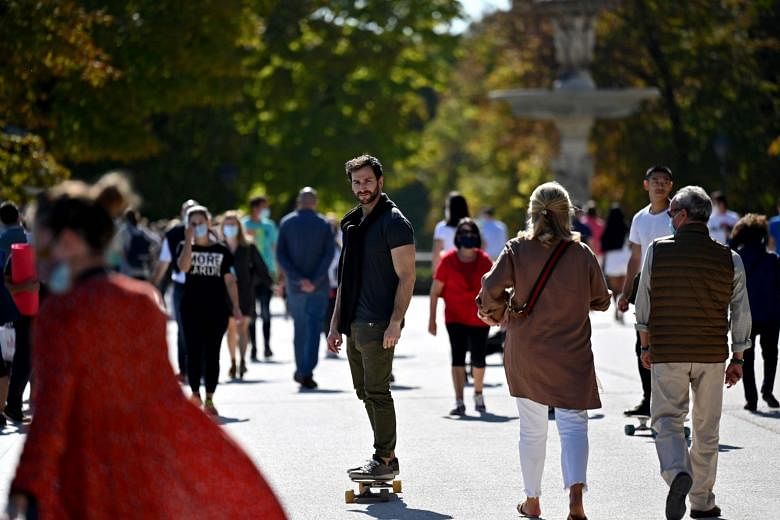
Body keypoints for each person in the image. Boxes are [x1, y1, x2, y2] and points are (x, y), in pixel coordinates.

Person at [6, 174, 285, 519]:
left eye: (42, 241)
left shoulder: (62, 312)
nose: (37, 253)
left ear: (68, 241)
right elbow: (162, 394)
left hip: (87, 470)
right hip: (145, 467)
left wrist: (25, 485)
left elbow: (50, 408)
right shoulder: (142, 301)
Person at [476, 181, 610, 520]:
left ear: (533, 211)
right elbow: (602, 299)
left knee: (532, 428)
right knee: (574, 425)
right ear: (568, 214)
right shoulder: (581, 253)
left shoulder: (516, 249)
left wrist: (500, 309)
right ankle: (576, 501)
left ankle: (532, 501)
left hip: (527, 350)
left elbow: (490, 289)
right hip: (572, 350)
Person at [634, 186, 751, 520]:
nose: (669, 218)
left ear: (683, 215)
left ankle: (676, 473)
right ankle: (701, 501)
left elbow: (644, 304)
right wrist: (738, 357)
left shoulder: (657, 251)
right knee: (706, 428)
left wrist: (645, 345)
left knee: (668, 420)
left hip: (668, 350)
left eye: (671, 212)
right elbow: (741, 312)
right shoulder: (730, 258)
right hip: (712, 355)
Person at [327, 154, 415, 481]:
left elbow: (407, 277)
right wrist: (335, 325)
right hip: (353, 323)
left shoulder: (394, 222)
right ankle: (384, 455)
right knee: (364, 391)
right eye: (356, 181)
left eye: (367, 181)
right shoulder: (351, 222)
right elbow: (344, 278)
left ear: (380, 181)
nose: (362, 187)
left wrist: (396, 322)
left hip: (379, 322)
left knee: (378, 391)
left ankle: (385, 458)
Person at [618, 165, 674, 417]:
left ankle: (671, 401)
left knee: (671, 345)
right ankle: (648, 399)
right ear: (646, 185)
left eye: (665, 181)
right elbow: (635, 256)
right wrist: (625, 290)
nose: (659, 185)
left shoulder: (678, 216)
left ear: (671, 186)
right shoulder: (640, 218)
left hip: (672, 287)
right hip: (644, 288)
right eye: (655, 180)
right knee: (642, 345)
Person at [177, 205, 243, 415]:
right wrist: (189, 240)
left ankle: (210, 398)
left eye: (201, 222)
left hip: (216, 310)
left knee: (212, 353)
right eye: (193, 223)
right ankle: (195, 393)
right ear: (188, 225)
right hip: (190, 309)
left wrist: (236, 306)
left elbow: (230, 281)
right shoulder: (184, 246)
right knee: (193, 352)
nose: (198, 227)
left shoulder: (221, 250)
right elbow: (183, 267)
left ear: (208, 222)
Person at [428, 218, 493, 415]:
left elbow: (495, 290)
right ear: (457, 237)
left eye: (472, 233)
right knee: (457, 356)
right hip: (454, 317)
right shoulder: (447, 260)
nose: (468, 236)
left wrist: (500, 314)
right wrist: (432, 320)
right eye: (464, 233)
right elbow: (435, 291)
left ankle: (479, 394)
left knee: (478, 358)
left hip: (480, 318)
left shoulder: (485, 260)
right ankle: (459, 400)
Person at [276, 187, 335, 389]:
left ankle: (302, 368)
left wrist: (298, 279)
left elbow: (281, 255)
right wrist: (315, 280)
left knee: (300, 328)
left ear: (299, 201)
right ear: (315, 202)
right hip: (318, 287)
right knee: (314, 327)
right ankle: (307, 370)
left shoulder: (286, 223)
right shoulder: (324, 224)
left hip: (296, 287)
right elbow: (329, 255)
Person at [730, 214, 780, 411]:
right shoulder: (773, 259)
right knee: (771, 354)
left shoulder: (736, 258)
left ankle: (751, 399)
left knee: (746, 357)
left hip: (744, 315)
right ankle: (767, 390)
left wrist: (734, 239)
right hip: (771, 314)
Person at [151, 199, 199, 382]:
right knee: (183, 328)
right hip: (181, 286)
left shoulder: (207, 234)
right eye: (188, 212)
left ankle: (200, 368)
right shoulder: (173, 234)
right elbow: (164, 261)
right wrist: (154, 284)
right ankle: (185, 370)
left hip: (203, 286)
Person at [221, 211, 272, 380]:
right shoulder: (219, 247)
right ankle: (233, 361)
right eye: (226, 224)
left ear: (238, 227)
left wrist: (271, 284)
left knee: (243, 328)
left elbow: (261, 268)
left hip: (245, 292)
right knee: (231, 328)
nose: (229, 227)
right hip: (225, 294)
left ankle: (243, 360)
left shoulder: (248, 247)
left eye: (233, 224)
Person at [0, 202, 33, 425]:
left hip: (13, 305)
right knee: (25, 354)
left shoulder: (2, 242)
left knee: (18, 354)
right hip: (31, 303)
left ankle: (11, 404)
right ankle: (14, 403)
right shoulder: (29, 240)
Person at [243, 196, 279, 360]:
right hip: (249, 273)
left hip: (267, 273)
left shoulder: (269, 226)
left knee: (265, 311)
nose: (266, 210)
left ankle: (267, 346)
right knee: (251, 312)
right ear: (255, 208)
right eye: (263, 206)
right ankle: (254, 348)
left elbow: (274, 248)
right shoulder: (244, 224)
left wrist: (278, 273)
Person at [600, 205, 630, 322]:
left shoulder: (608, 227)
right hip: (624, 257)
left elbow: (603, 244)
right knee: (622, 288)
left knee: (614, 289)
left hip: (612, 259)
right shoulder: (625, 226)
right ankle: (621, 307)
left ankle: (616, 308)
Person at [118, 208, 160, 281]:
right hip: (142, 268)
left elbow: (118, 248)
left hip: (127, 268)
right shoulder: (142, 230)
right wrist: (151, 251)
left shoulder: (124, 230)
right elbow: (157, 240)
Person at [432, 192, 470, 272]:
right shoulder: (472, 226)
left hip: (449, 270)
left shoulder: (441, 227)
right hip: (468, 269)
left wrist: (435, 273)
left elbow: (436, 253)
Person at [323, 213, 343, 359]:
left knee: (337, 316)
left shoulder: (340, 245)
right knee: (327, 317)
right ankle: (329, 344)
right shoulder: (321, 245)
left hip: (338, 286)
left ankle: (336, 342)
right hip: (325, 286)